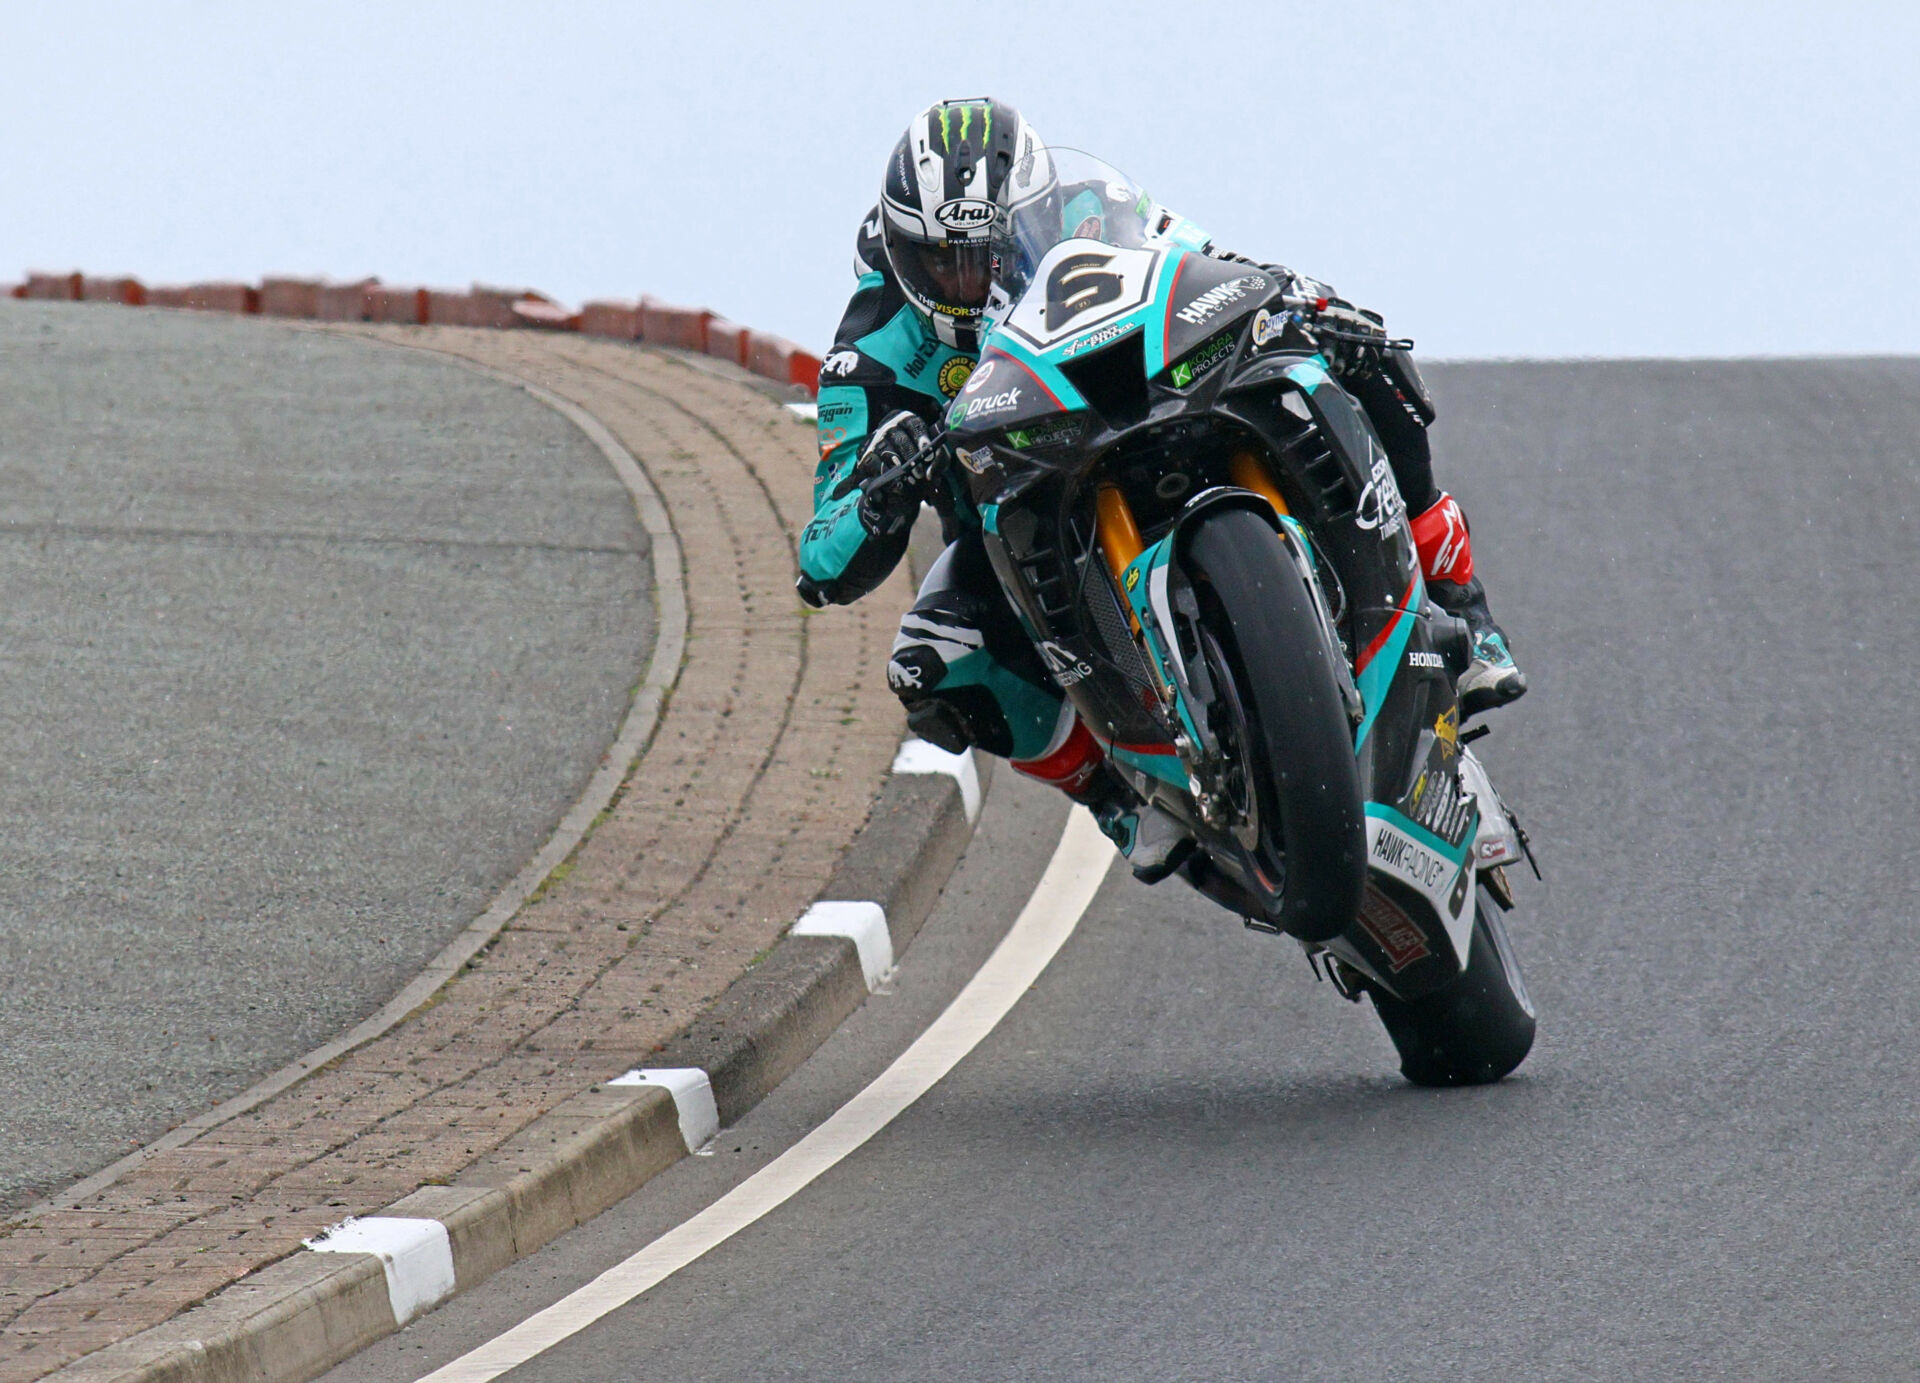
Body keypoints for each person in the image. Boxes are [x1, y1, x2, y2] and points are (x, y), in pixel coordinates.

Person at [796, 97, 1526, 876]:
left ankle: (1459, 600)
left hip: (1152, 406)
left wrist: (1300, 296)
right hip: (1021, 516)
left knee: (1353, 347)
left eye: (986, 252)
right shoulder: (867, 349)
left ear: (1031, 213)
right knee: (931, 657)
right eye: (942, 261)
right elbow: (820, 557)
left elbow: (1205, 262)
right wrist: (879, 487)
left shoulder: (1092, 206)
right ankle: (1113, 793)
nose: (967, 281)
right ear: (899, 250)